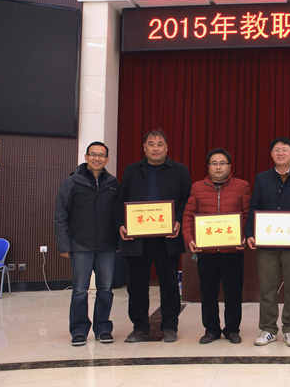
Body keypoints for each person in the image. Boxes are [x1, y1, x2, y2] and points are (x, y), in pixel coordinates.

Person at [115, 129, 191, 343]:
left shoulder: (180, 170)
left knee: (169, 284)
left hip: (168, 237)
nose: (155, 148)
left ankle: (169, 326)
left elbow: (186, 199)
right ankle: (140, 327)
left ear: (167, 147)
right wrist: (121, 224)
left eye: (160, 144)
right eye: (151, 144)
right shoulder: (131, 170)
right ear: (144, 147)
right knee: (136, 286)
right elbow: (120, 201)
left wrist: (178, 220)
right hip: (137, 238)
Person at [245, 137, 290, 347]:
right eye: (276, 150)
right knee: (267, 288)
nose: (281, 153)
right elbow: (254, 206)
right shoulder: (262, 178)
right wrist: (250, 232)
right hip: (267, 243)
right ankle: (268, 329)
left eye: (285, 150)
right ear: (271, 154)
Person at [182, 148, 251, 345]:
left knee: (233, 292)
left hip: (232, 251)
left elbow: (247, 215)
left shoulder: (241, 186)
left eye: (222, 163)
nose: (218, 167)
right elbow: (188, 216)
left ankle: (232, 329)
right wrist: (190, 238)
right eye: (214, 163)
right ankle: (211, 329)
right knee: (208, 292)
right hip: (207, 251)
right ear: (208, 167)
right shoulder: (198, 187)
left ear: (229, 166)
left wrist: (244, 236)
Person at [54, 141, 119, 346]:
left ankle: (103, 328)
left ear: (107, 159)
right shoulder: (71, 182)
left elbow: (119, 214)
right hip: (80, 245)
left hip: (107, 246)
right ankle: (79, 330)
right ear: (86, 157)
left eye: (101, 155)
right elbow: (60, 215)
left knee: (105, 289)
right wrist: (64, 245)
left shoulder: (113, 183)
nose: (97, 158)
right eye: (93, 154)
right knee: (80, 290)